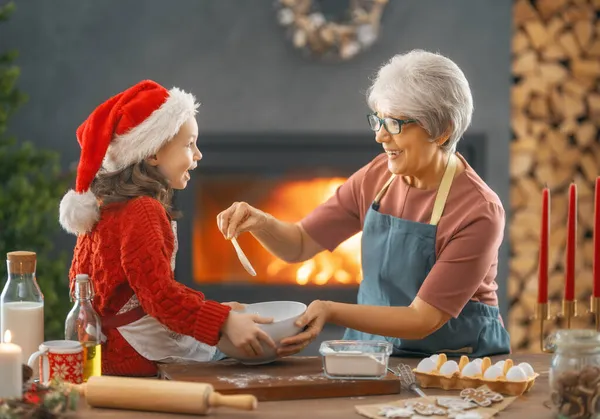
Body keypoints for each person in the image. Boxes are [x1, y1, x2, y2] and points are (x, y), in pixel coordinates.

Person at [217, 50, 511, 358]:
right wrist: (261, 222)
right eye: (378, 121)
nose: (380, 136)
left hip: (455, 361)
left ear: (443, 131)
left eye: (396, 123)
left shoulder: (478, 211)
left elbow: (423, 319)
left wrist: (330, 310)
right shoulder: (377, 176)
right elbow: (300, 244)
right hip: (372, 351)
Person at [59, 80, 275, 376]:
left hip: (105, 350)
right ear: (152, 153)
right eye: (189, 144)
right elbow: (159, 297)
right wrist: (224, 321)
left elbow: (129, 292)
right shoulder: (143, 210)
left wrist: (213, 308)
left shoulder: (104, 205)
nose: (198, 155)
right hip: (137, 354)